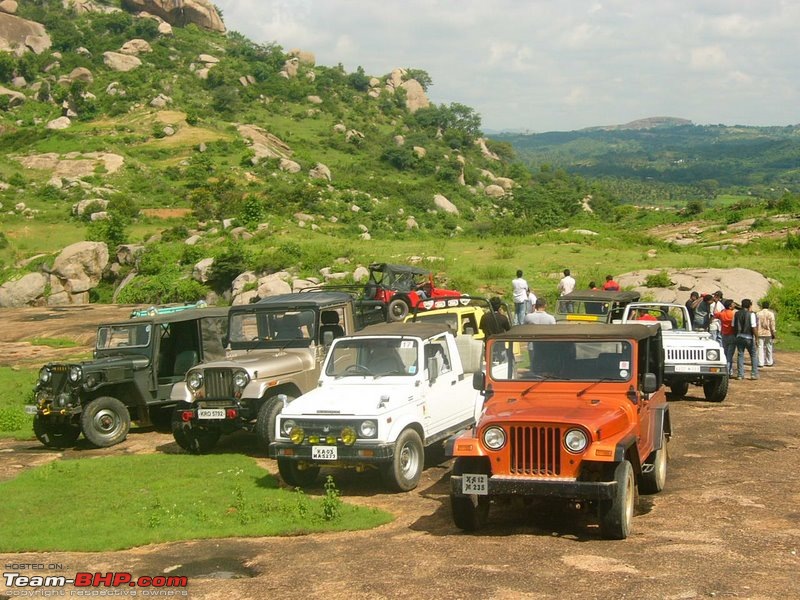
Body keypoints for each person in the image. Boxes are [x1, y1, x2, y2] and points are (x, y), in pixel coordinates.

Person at [480, 297, 511, 364]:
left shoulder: (484, 317)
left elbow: (482, 329)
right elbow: (508, 330)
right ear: (499, 306)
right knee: (503, 364)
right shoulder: (503, 318)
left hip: (489, 345)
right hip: (500, 345)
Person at [734, 299, 758, 380]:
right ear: (749, 306)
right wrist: (757, 337)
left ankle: (740, 374)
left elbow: (733, 325)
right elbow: (753, 327)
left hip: (739, 336)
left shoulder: (736, 314)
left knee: (740, 354)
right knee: (753, 355)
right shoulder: (751, 314)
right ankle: (754, 374)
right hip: (748, 337)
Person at [715, 299, 737, 377]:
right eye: (733, 304)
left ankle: (727, 370)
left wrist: (717, 306)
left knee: (725, 354)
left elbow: (715, 314)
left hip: (724, 335)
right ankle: (728, 371)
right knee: (730, 355)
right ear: (730, 306)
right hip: (732, 335)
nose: (734, 305)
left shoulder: (722, 313)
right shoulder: (733, 314)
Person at [755, 300, 776, 367]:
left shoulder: (758, 313)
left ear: (762, 306)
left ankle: (760, 362)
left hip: (760, 332)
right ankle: (769, 361)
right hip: (768, 332)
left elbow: (756, 324)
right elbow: (772, 324)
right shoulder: (770, 314)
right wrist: (773, 332)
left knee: (760, 347)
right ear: (768, 306)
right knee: (769, 347)